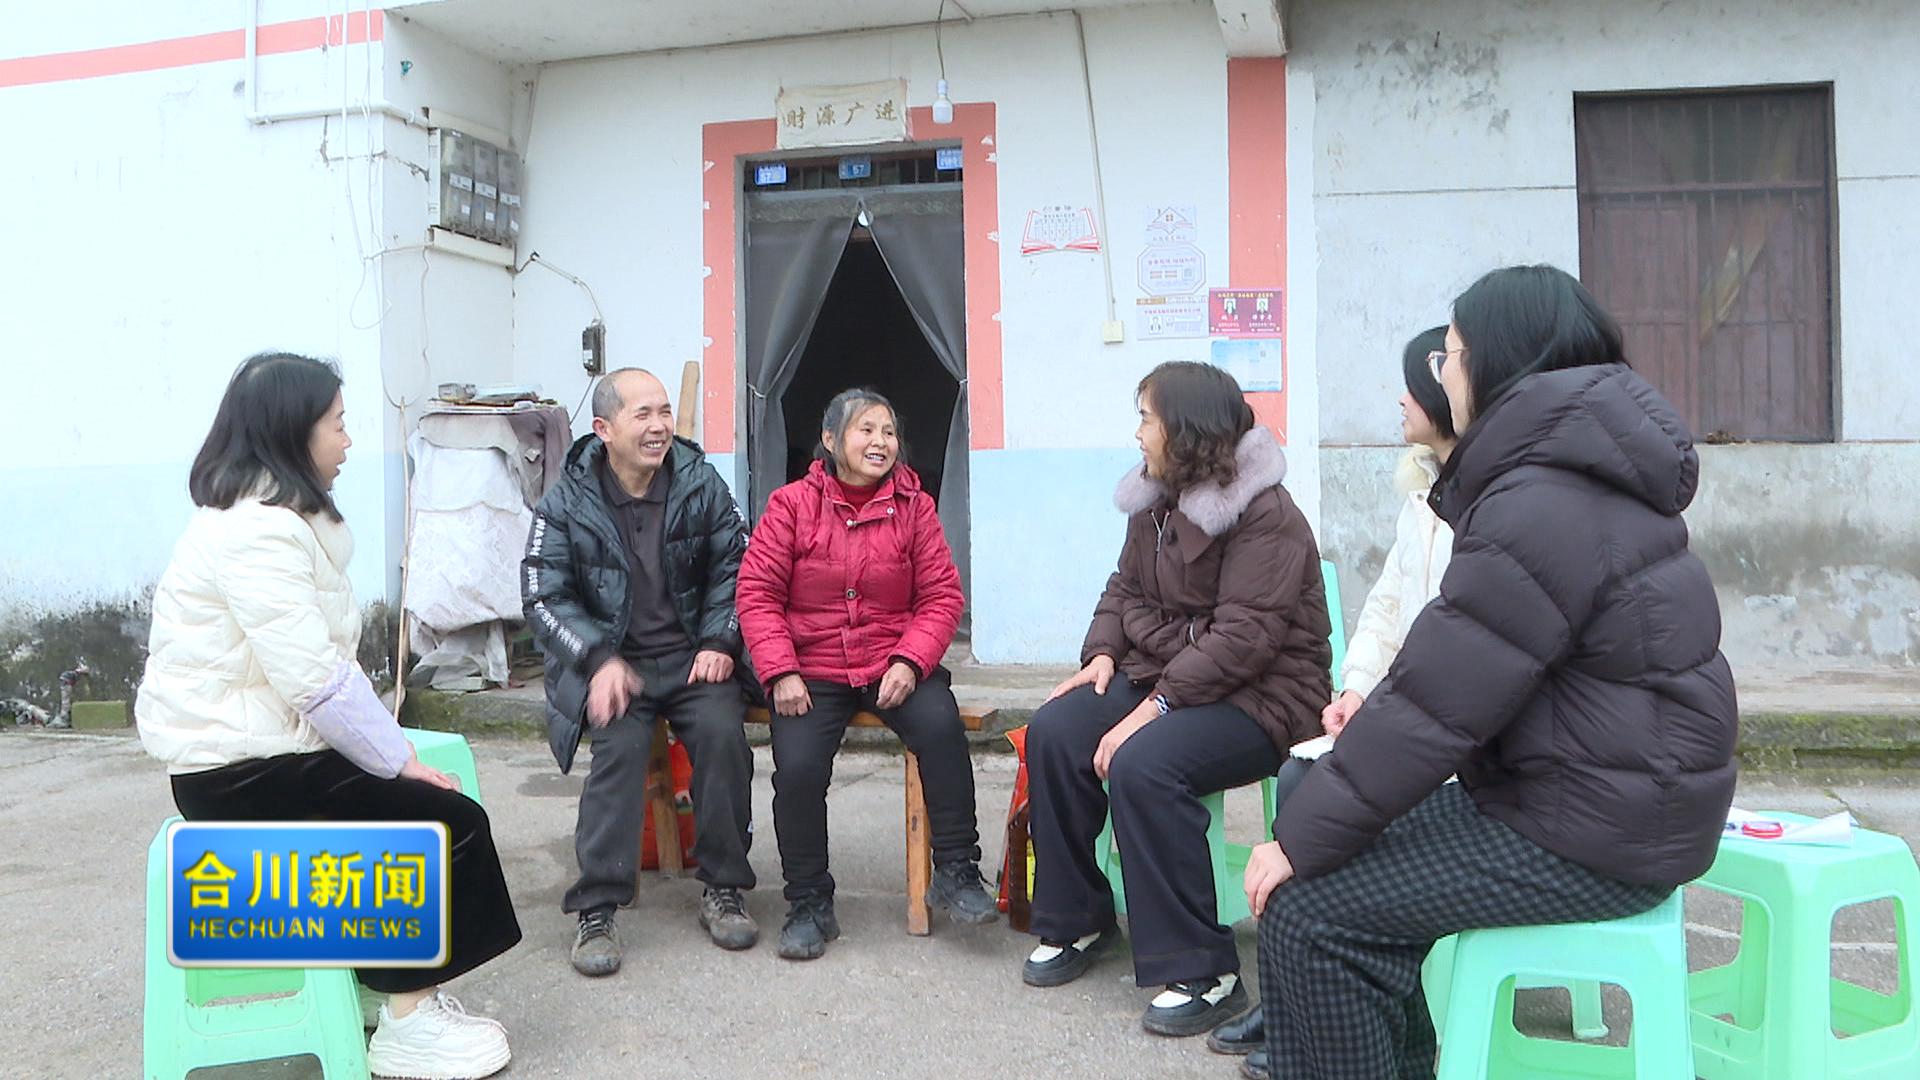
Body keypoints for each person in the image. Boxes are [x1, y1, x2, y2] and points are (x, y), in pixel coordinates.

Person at [1241, 265, 1738, 1080]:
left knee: (1309, 911)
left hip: (1600, 830)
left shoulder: (1541, 501)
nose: (1443, 376)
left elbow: (1437, 700)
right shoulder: (1570, 474)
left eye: (1452, 356)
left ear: (1498, 364)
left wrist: (1295, 840)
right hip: (1598, 800)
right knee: (1335, 872)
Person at [138, 352, 519, 1080]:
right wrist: (399, 760)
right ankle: (407, 1020)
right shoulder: (255, 534)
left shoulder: (268, 522)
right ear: (292, 432)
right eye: (337, 424)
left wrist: (389, 757)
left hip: (264, 758)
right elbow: (317, 681)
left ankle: (388, 990)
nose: (348, 441)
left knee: (422, 807)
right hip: (237, 778)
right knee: (444, 824)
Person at [1021, 360, 1332, 1038]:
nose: (1138, 433)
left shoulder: (1267, 513)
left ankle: (1204, 970)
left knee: (1146, 763)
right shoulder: (1155, 500)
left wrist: (1150, 709)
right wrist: (1103, 653)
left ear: (1186, 430)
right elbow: (1124, 588)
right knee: (1056, 730)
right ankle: (1077, 919)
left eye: (1147, 419)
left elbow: (1243, 640)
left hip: (1267, 695)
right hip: (1167, 671)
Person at [1208, 324, 1460, 1059]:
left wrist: (1385, 712)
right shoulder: (1424, 495)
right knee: (1300, 777)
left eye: (1416, 381)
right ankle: (1289, 1000)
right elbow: (1387, 608)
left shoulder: (1487, 509)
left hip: (1449, 734)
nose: (1400, 399)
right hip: (1404, 711)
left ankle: (1316, 996)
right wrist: (1356, 690)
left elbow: (1455, 652)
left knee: (1314, 796)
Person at [735, 388, 998, 959]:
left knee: (941, 728)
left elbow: (941, 597)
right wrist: (780, 670)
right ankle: (809, 901)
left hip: (892, 660)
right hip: (811, 667)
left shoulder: (915, 508)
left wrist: (910, 660)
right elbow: (757, 595)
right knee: (798, 769)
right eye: (866, 430)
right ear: (830, 441)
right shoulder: (790, 506)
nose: (881, 442)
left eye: (888, 432)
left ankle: (957, 869)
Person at [521, 367, 758, 974]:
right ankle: (597, 908)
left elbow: (739, 566)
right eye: (642, 415)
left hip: (692, 656)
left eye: (664, 412)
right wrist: (598, 660)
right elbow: (543, 596)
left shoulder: (700, 482)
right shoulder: (566, 500)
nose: (659, 427)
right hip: (615, 663)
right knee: (619, 751)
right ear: (604, 429)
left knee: (724, 737)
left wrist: (720, 640)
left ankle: (724, 887)